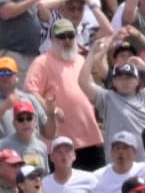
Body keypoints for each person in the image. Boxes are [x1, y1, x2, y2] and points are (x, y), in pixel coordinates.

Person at [25, 18, 104, 171]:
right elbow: (30, 91)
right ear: (53, 38)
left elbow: (91, 88)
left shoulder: (81, 60)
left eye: (70, 35)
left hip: (89, 137)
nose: (67, 40)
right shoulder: (42, 62)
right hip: (60, 143)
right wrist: (51, 111)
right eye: (62, 36)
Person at [78, 38, 145, 163]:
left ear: (137, 81)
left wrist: (143, 66)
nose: (125, 81)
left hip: (144, 161)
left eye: (129, 78)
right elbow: (83, 82)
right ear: (113, 82)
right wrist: (92, 53)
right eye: (120, 78)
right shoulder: (106, 97)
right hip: (117, 163)